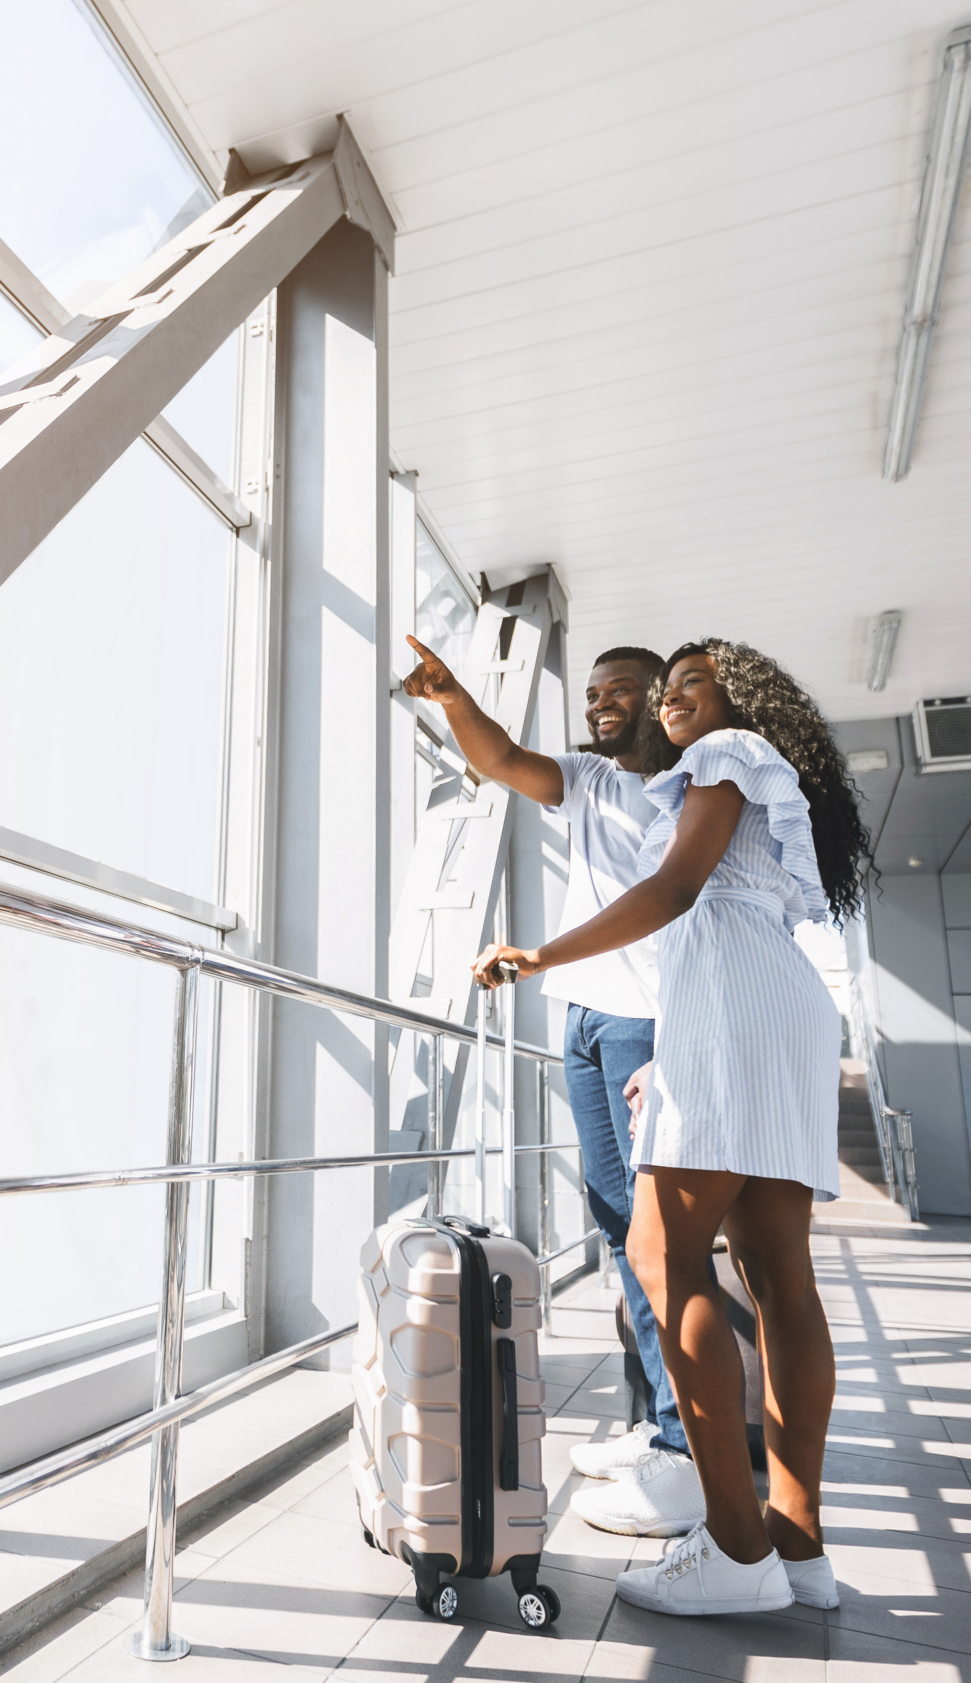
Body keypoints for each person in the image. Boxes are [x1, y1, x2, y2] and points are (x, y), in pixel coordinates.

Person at [473, 639, 870, 1618]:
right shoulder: (767, 776)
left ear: (737, 697)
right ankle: (796, 1545)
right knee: (780, 1277)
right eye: (671, 687)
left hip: (731, 1009)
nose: (674, 699)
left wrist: (538, 956)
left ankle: (736, 1552)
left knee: (661, 1257)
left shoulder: (722, 756)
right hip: (780, 1006)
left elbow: (674, 894)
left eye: (692, 681)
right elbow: (725, 910)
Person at [396, 633, 705, 1540]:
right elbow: (498, 758)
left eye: (619, 691)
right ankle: (658, 1428)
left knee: (660, 1241)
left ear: (660, 699)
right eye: (593, 692)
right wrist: (451, 696)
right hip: (582, 1019)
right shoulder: (595, 779)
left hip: (647, 1025)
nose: (599, 704)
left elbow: (676, 907)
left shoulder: (689, 792)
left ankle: (688, 1451)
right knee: (618, 1224)